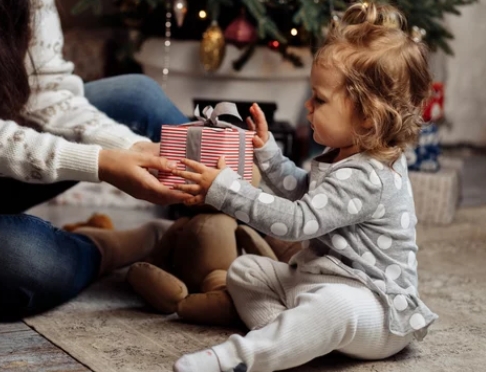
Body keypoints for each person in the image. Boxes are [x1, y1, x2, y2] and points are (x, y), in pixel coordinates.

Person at [171, 3, 438, 372]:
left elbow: (297, 222)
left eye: (320, 99)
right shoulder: (345, 153)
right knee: (245, 271)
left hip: (374, 307)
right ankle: (298, 339)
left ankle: (239, 358)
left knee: (332, 307)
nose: (308, 107)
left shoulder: (369, 175)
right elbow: (306, 195)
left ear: (367, 115)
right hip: (316, 281)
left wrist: (226, 189)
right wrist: (268, 155)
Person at [0, 0, 191, 321]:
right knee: (29, 263)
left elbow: (44, 91)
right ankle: (116, 244)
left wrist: (129, 146)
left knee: (138, 96)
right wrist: (101, 162)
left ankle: (225, 232)